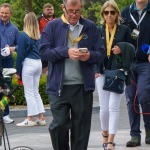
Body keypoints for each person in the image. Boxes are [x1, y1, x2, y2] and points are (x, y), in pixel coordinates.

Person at [39, 0, 105, 149]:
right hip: (59, 87)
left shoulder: (90, 27)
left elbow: (100, 53)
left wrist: (90, 56)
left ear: (81, 8)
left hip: (82, 87)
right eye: (70, 11)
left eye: (77, 11)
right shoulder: (52, 26)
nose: (74, 15)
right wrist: (65, 52)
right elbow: (43, 51)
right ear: (63, 8)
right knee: (59, 125)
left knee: (81, 130)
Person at [94, 1, 134, 150]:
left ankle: (111, 141)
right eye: (106, 12)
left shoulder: (124, 29)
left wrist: (122, 50)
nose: (109, 15)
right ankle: (105, 135)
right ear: (103, 15)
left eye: (112, 12)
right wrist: (95, 70)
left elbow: (132, 50)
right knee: (104, 109)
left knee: (113, 107)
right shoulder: (99, 30)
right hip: (102, 72)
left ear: (117, 14)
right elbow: (95, 51)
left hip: (118, 72)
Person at [121, 0, 150, 147]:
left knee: (145, 96)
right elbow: (120, 34)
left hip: (146, 62)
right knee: (130, 98)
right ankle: (134, 135)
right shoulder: (125, 12)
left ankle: (149, 130)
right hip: (129, 63)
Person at [16, 12, 46, 127]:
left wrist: (18, 71)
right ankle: (41, 117)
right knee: (36, 92)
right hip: (38, 63)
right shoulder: (39, 35)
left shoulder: (23, 35)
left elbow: (20, 55)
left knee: (29, 93)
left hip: (28, 64)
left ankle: (30, 118)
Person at [0, 3, 19, 124]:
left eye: (6, 13)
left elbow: (19, 45)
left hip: (8, 62)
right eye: (2, 12)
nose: (3, 15)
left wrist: (12, 49)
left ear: (10, 13)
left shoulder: (15, 29)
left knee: (6, 89)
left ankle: (5, 114)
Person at [38, 3, 55, 73]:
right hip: (42, 46)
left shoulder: (58, 19)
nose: (50, 11)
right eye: (48, 9)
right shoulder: (39, 20)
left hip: (54, 46)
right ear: (43, 10)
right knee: (43, 67)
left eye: (51, 9)